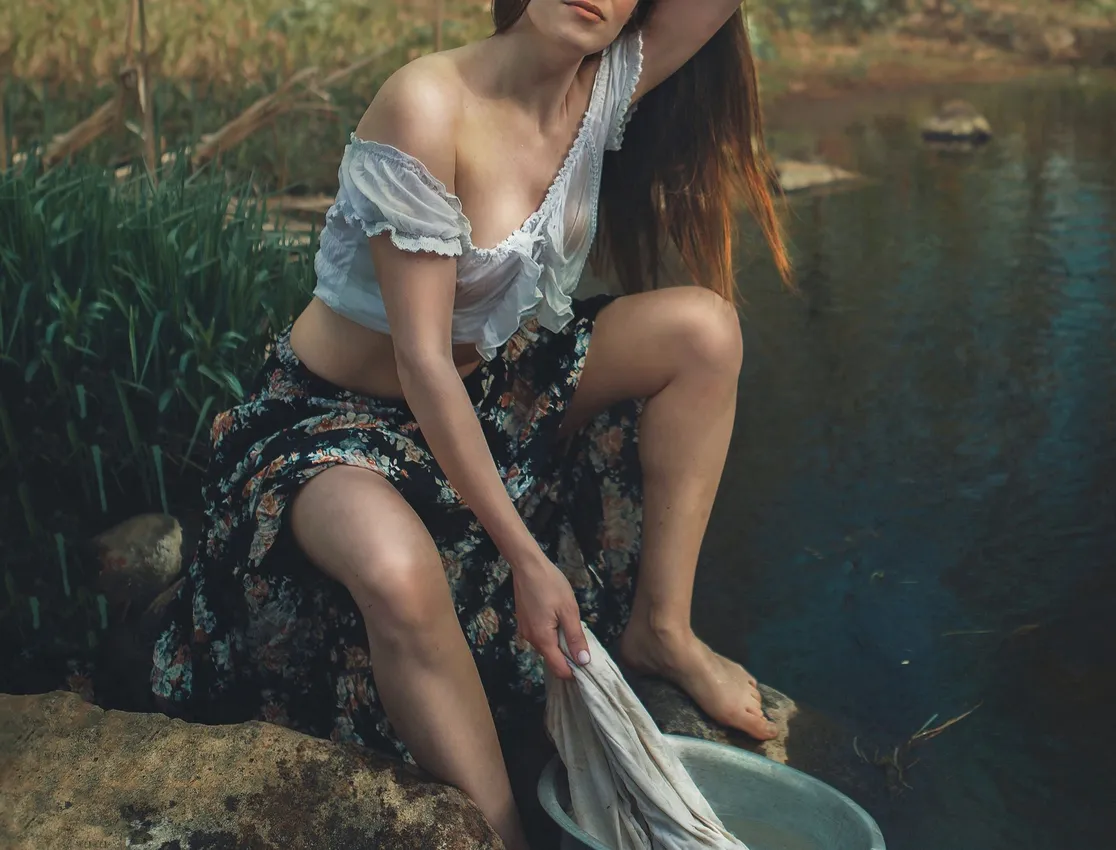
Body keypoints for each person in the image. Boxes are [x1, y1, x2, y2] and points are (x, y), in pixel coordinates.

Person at [150, 1, 791, 847]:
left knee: (705, 331)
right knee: (394, 568)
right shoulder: (426, 105)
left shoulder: (603, 88)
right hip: (335, 422)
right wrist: (527, 558)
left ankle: (662, 631)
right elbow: (421, 365)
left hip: (494, 392)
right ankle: (500, 828)